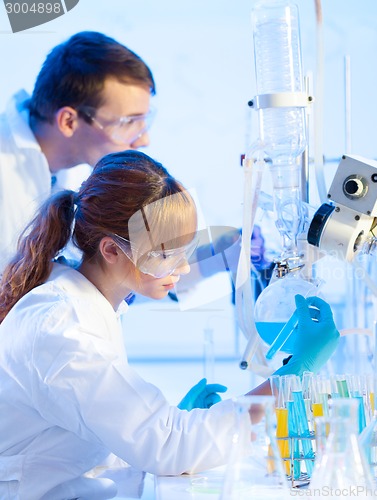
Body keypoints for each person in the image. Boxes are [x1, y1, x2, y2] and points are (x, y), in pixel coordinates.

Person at [0, 150, 340, 499]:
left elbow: (93, 434)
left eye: (184, 250)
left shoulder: (87, 304)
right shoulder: (62, 327)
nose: (183, 268)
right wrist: (293, 375)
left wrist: (174, 419)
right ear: (111, 250)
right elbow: (168, 447)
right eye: (165, 255)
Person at [0, 30, 155, 273]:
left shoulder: (83, 165)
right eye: (127, 123)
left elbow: (115, 277)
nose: (144, 139)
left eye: (143, 121)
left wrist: (215, 255)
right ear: (69, 122)